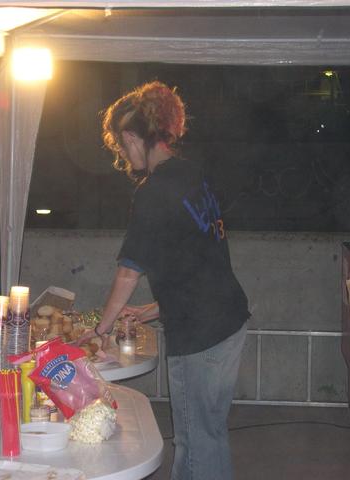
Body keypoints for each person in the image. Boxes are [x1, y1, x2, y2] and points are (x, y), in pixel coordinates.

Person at [77, 81, 250, 480]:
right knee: (209, 434)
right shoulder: (193, 174)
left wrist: (100, 330)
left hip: (201, 333)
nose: (124, 156)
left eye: (122, 148)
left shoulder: (154, 191)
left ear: (131, 137)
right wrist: (156, 309)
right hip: (228, 319)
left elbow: (129, 271)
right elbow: (199, 258)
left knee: (194, 440)